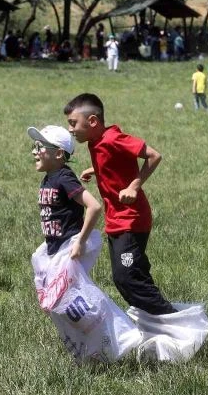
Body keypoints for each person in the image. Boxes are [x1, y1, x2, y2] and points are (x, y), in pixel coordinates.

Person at [63, 93, 176, 315]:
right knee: (125, 278)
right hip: (115, 220)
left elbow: (154, 155)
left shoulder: (114, 138)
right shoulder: (95, 141)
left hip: (131, 219)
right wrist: (96, 170)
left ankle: (172, 320)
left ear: (93, 121)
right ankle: (155, 323)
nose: (70, 129)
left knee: (128, 277)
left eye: (73, 123)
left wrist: (134, 186)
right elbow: (115, 162)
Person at [27, 124, 102, 266]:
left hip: (69, 249)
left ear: (58, 154)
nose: (34, 152)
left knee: (70, 289)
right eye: (34, 146)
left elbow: (94, 206)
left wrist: (80, 242)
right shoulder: (49, 178)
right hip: (56, 247)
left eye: (40, 147)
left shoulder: (64, 178)